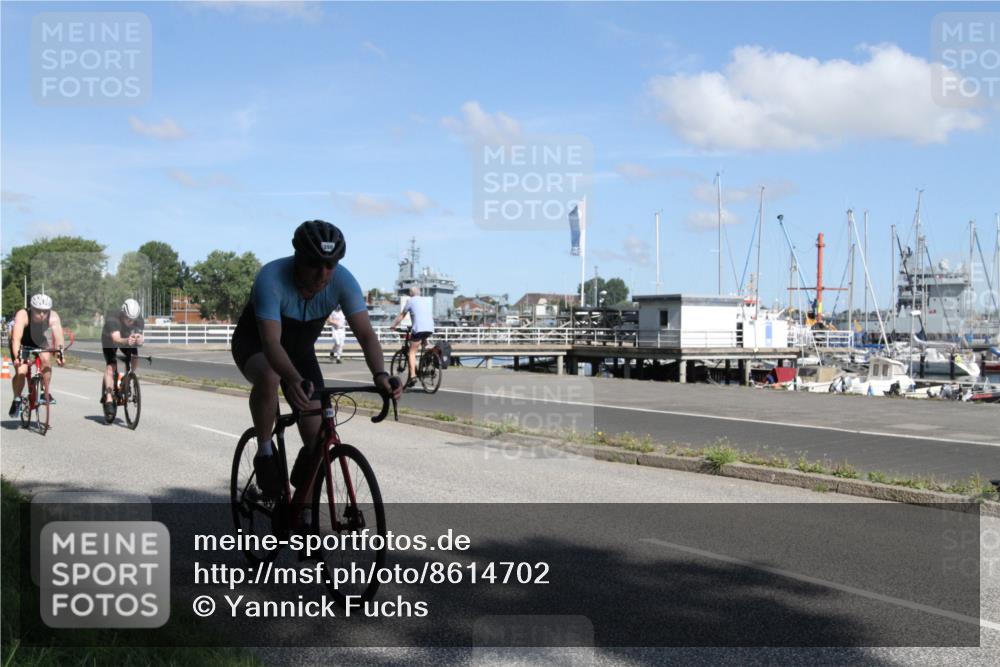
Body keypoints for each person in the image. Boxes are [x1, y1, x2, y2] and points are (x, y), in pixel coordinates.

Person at [231, 220, 401, 497]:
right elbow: (272, 342)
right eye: (314, 264)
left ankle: (303, 513)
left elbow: (366, 335)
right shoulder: (271, 278)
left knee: (318, 443)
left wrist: (380, 375)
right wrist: (293, 379)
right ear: (298, 258)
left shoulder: (343, 280)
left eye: (330, 265)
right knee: (270, 375)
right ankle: (264, 452)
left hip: (299, 352)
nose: (323, 274)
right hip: (257, 344)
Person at [8, 294, 65, 417]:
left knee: (46, 359)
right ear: (32, 309)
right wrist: (18, 357)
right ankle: (16, 399)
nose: (42, 315)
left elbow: (59, 337)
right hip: (22, 342)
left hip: (39, 340)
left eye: (45, 311)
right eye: (38, 311)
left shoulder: (53, 316)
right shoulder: (22, 315)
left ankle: (45, 392)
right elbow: (16, 339)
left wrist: (61, 354)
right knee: (22, 370)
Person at [101, 298, 145, 420]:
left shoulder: (139, 319)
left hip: (126, 337)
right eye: (128, 319)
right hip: (110, 340)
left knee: (135, 357)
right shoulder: (112, 319)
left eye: (133, 320)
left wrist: (139, 339)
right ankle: (109, 398)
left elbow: (140, 337)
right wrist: (127, 340)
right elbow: (116, 339)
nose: (130, 322)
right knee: (111, 366)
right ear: (122, 314)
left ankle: (128, 378)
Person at [390, 286, 436, 388]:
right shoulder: (425, 301)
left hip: (419, 328)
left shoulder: (410, 301)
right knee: (423, 342)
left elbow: (402, 316)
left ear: (411, 294)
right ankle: (426, 362)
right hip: (429, 328)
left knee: (412, 352)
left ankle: (413, 376)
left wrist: (394, 325)